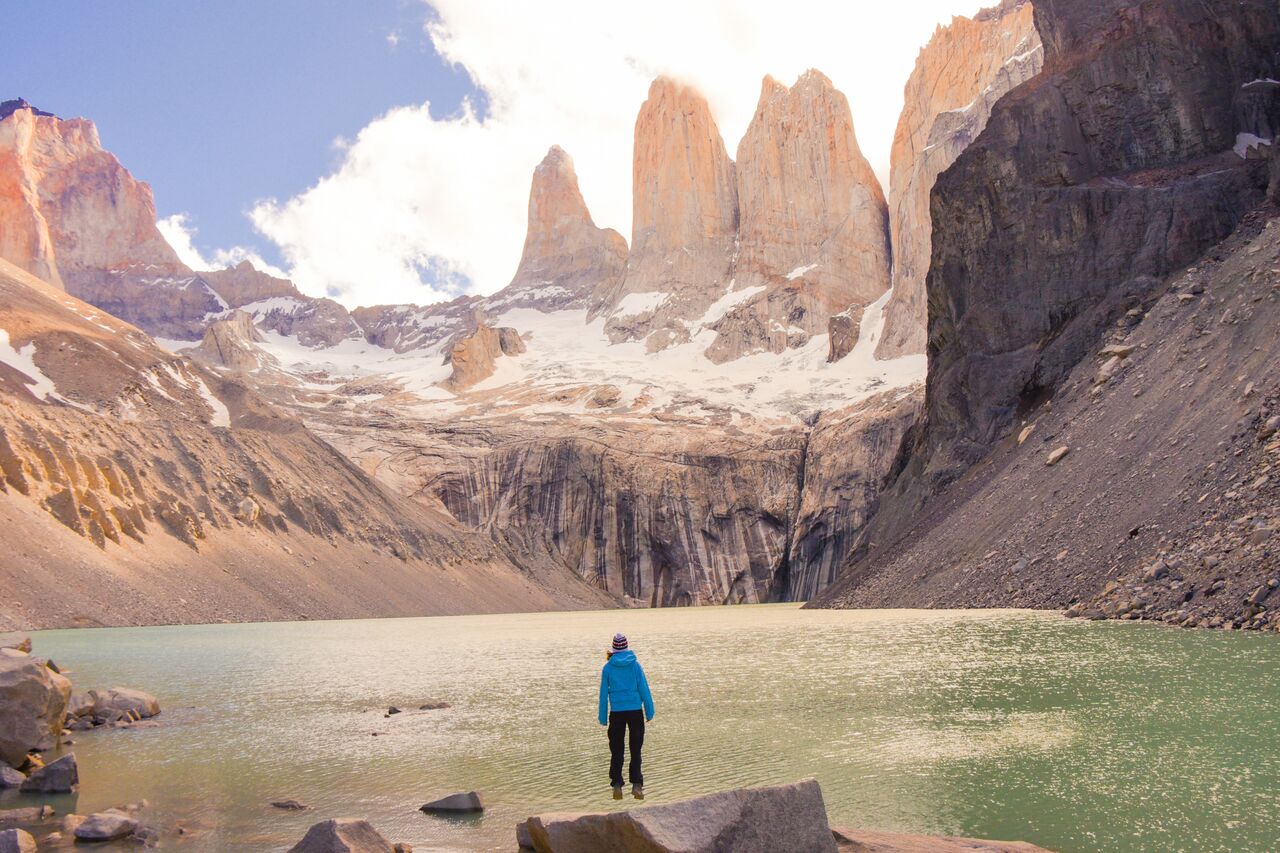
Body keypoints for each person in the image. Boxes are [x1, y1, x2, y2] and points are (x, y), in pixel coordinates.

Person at [598, 633, 654, 800]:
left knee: (617, 750)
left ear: (614, 649)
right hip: (635, 712)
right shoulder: (635, 665)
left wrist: (603, 717)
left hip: (617, 713)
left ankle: (617, 785)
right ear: (627, 648)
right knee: (635, 749)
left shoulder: (608, 667)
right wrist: (650, 711)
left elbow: (603, 695)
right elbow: (644, 688)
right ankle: (636, 785)